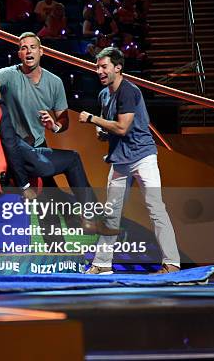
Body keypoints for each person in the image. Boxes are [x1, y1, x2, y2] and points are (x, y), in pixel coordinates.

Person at [0, 32, 114, 237]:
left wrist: (54, 126)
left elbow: (64, 122)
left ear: (41, 52)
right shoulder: (8, 74)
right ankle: (90, 218)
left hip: (37, 146)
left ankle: (58, 253)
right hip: (14, 149)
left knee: (49, 203)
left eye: (32, 47)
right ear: (19, 54)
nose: (28, 51)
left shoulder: (54, 82)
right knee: (72, 160)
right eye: (24, 48)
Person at [79, 47, 180, 275]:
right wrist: (101, 131)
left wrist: (92, 119)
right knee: (111, 213)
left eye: (104, 67)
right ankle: (102, 264)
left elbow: (123, 127)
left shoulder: (129, 91)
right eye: (97, 67)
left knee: (156, 208)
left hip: (143, 157)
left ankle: (172, 263)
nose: (99, 71)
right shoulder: (104, 95)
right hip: (120, 160)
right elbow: (111, 127)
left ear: (118, 67)